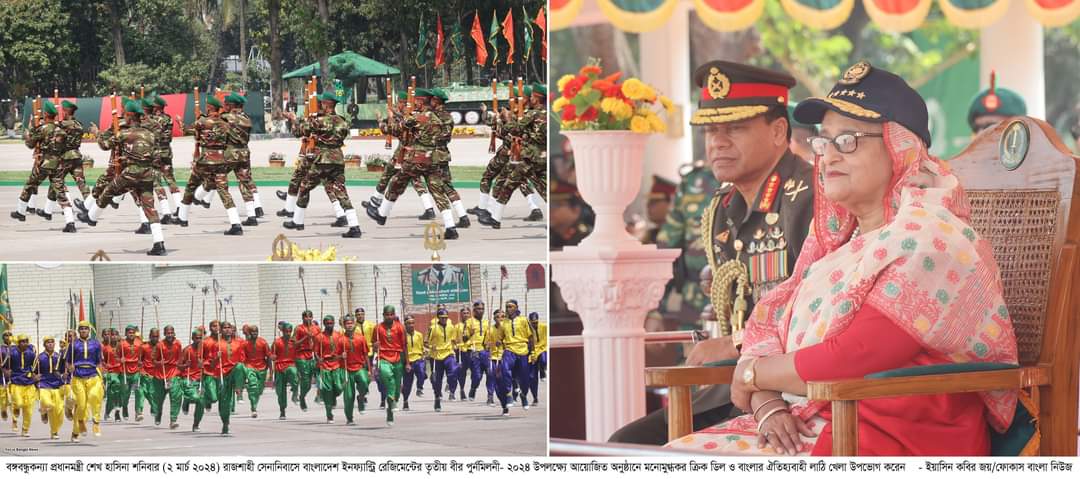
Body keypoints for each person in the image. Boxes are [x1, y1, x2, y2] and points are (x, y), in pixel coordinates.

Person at [668, 61, 1019, 456]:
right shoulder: (839, 246)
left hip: (890, 440)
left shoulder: (931, 241)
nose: (829, 156)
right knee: (666, 458)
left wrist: (750, 374)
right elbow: (767, 332)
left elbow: (852, 357)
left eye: (848, 140)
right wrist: (767, 406)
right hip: (811, 425)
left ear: (899, 148)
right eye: (824, 141)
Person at [611, 60, 815, 445]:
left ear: (778, 131)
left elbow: (818, 318)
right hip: (736, 385)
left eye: (735, 128)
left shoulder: (808, 198)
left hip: (793, 390)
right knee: (626, 443)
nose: (718, 141)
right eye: (711, 130)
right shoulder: (723, 206)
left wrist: (734, 344)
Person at [366, 90, 461, 239]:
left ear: (421, 101)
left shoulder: (418, 117)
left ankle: (382, 214)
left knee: (396, 182)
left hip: (417, 158)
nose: (414, 103)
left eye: (416, 100)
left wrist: (384, 120)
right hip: (433, 158)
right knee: (438, 192)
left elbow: (395, 129)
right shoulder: (437, 117)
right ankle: (450, 228)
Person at [77, 100, 167, 254]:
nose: (124, 116)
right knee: (150, 209)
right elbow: (155, 156)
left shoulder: (124, 133)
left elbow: (104, 145)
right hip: (148, 174)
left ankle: (92, 217)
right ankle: (159, 244)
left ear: (130, 116)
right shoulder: (150, 134)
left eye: (125, 114)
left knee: (108, 190)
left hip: (131, 173)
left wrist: (97, 133)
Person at [283, 92, 362, 237]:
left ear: (326, 104)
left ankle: (298, 220)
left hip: (323, 160)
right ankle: (354, 226)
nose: (321, 105)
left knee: (305, 186)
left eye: (322, 103)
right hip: (337, 159)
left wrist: (294, 120)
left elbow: (299, 132)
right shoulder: (342, 121)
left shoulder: (320, 121)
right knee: (341, 191)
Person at [12, 100, 78, 232]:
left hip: (44, 164)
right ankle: (70, 222)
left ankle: (21, 212)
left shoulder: (43, 129)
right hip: (58, 165)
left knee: (30, 185)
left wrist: (27, 135)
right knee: (60, 192)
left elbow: (30, 144)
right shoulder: (61, 130)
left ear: (46, 114)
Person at [221, 93, 263, 223]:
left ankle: (199, 197)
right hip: (244, 152)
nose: (224, 106)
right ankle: (252, 215)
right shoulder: (246, 118)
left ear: (231, 105)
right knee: (245, 182)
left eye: (226, 104)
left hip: (231, 152)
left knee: (216, 175)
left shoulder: (226, 118)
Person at [371, 305, 407, 426]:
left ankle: (390, 409)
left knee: (396, 390)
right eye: (387, 314)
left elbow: (404, 346)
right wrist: (375, 346)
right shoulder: (378, 328)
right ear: (383, 315)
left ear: (394, 315)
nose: (389, 316)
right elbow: (373, 346)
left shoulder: (400, 327)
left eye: (391, 314)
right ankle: (391, 402)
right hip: (384, 358)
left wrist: (407, 362)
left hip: (397, 358)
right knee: (387, 376)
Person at [69, 321, 103, 442]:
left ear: (89, 330)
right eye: (81, 329)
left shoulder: (96, 344)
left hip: (93, 375)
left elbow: (99, 361)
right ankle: (78, 426)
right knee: (81, 405)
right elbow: (68, 362)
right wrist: (70, 367)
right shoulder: (73, 345)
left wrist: (102, 376)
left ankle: (96, 422)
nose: (83, 331)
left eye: (85, 329)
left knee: (95, 397)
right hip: (78, 377)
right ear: (78, 331)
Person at [497, 300, 532, 413]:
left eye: (511, 307)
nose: (508, 309)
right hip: (509, 349)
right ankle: (508, 394)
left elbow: (531, 337)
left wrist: (532, 352)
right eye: (507, 307)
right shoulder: (503, 323)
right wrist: (498, 342)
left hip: (522, 350)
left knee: (525, 378)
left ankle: (524, 395)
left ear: (516, 308)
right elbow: (500, 337)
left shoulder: (524, 320)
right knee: (504, 369)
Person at [315, 315, 346, 423]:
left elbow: (343, 348)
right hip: (325, 366)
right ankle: (329, 415)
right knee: (327, 390)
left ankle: (333, 397)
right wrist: (318, 359)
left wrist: (343, 355)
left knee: (338, 387)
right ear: (324, 324)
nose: (329, 325)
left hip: (336, 364)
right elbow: (316, 352)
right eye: (327, 323)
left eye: (331, 323)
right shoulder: (319, 337)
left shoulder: (339, 335)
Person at [150, 325, 182, 429]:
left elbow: (180, 358)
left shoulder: (178, 344)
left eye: (171, 333)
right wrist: (160, 362)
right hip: (160, 374)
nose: (170, 335)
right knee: (158, 399)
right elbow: (153, 360)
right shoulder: (159, 345)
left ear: (174, 333)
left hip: (173, 373)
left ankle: (173, 420)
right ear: (164, 334)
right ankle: (158, 414)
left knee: (176, 396)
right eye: (168, 333)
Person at [427, 308, 459, 412]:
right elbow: (426, 342)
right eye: (442, 318)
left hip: (448, 353)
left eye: (446, 317)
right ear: (438, 318)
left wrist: (456, 344)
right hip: (436, 356)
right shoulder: (433, 328)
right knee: (437, 380)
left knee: (454, 371)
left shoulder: (451, 327)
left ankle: (450, 386)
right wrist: (431, 347)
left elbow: (453, 339)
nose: (444, 319)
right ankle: (437, 398)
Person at [340, 315, 370, 425]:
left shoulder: (361, 338)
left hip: (359, 367)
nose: (349, 325)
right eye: (347, 323)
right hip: (346, 369)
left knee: (364, 382)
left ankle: (361, 397)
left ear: (354, 324)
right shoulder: (341, 340)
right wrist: (340, 356)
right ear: (344, 325)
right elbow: (334, 357)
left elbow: (366, 354)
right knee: (348, 396)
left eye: (351, 323)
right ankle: (349, 418)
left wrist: (369, 369)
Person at [35, 335, 66, 440]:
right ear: (44, 344)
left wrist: (64, 375)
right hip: (44, 384)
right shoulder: (39, 357)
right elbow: (33, 371)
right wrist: (35, 377)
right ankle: (44, 412)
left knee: (59, 412)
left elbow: (63, 371)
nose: (50, 344)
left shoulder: (59, 357)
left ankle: (54, 431)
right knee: (48, 403)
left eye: (52, 342)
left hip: (57, 385)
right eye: (48, 342)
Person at [177, 328, 206, 431]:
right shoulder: (187, 350)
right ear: (192, 338)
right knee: (195, 398)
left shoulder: (205, 349)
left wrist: (205, 364)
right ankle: (186, 401)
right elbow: (179, 366)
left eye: (200, 338)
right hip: (189, 378)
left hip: (202, 379)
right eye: (196, 338)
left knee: (201, 402)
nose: (198, 340)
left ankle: (196, 424)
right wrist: (186, 365)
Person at [270, 322, 298, 419]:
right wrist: (272, 357)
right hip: (279, 368)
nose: (288, 333)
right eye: (286, 331)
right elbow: (271, 355)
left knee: (293, 372)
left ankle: (295, 392)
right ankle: (282, 410)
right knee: (280, 392)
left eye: (290, 331)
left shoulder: (294, 342)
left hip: (290, 365)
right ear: (282, 331)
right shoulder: (277, 342)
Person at [242, 324, 271, 418]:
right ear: (249, 333)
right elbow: (242, 359)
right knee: (253, 386)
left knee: (259, 390)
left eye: (256, 331)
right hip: (250, 367)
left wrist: (271, 370)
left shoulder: (263, 342)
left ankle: (254, 399)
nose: (254, 333)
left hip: (262, 368)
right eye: (252, 332)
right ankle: (253, 408)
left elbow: (268, 357)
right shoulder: (245, 344)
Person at [292, 310, 318, 411]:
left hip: (312, 355)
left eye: (310, 317)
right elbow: (294, 343)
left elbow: (320, 342)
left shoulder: (316, 328)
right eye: (306, 317)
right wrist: (305, 337)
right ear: (303, 318)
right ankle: (302, 399)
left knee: (309, 383)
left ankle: (303, 395)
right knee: (305, 379)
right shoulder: (299, 328)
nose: (308, 319)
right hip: (301, 355)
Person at [401, 315, 427, 411]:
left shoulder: (419, 335)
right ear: (405, 324)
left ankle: (419, 388)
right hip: (407, 362)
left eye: (412, 323)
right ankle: (405, 401)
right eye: (409, 323)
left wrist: (424, 353)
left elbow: (421, 347)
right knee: (407, 384)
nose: (411, 325)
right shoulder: (402, 336)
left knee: (421, 372)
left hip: (418, 359)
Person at [527, 312, 547, 405]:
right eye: (533, 322)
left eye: (536, 322)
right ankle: (535, 397)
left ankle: (542, 372)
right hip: (532, 352)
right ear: (530, 322)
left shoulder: (544, 327)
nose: (535, 324)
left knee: (543, 360)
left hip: (542, 348)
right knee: (532, 377)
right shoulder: (527, 330)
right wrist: (532, 353)